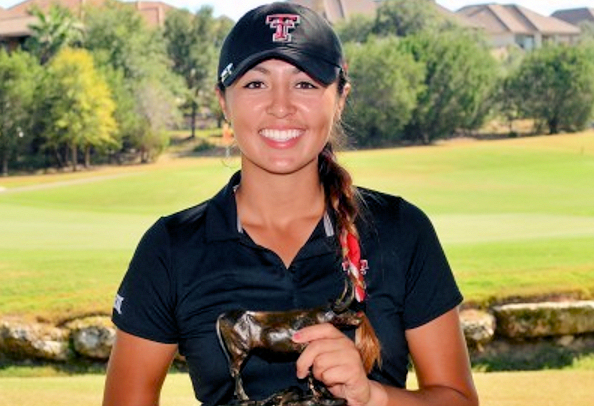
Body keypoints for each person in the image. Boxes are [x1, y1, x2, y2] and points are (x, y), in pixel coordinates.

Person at [102, 3, 479, 406]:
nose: (280, 106)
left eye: (305, 84)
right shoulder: (171, 247)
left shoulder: (400, 230)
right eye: (255, 84)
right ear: (223, 102)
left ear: (340, 99)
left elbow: (457, 399)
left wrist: (372, 397)